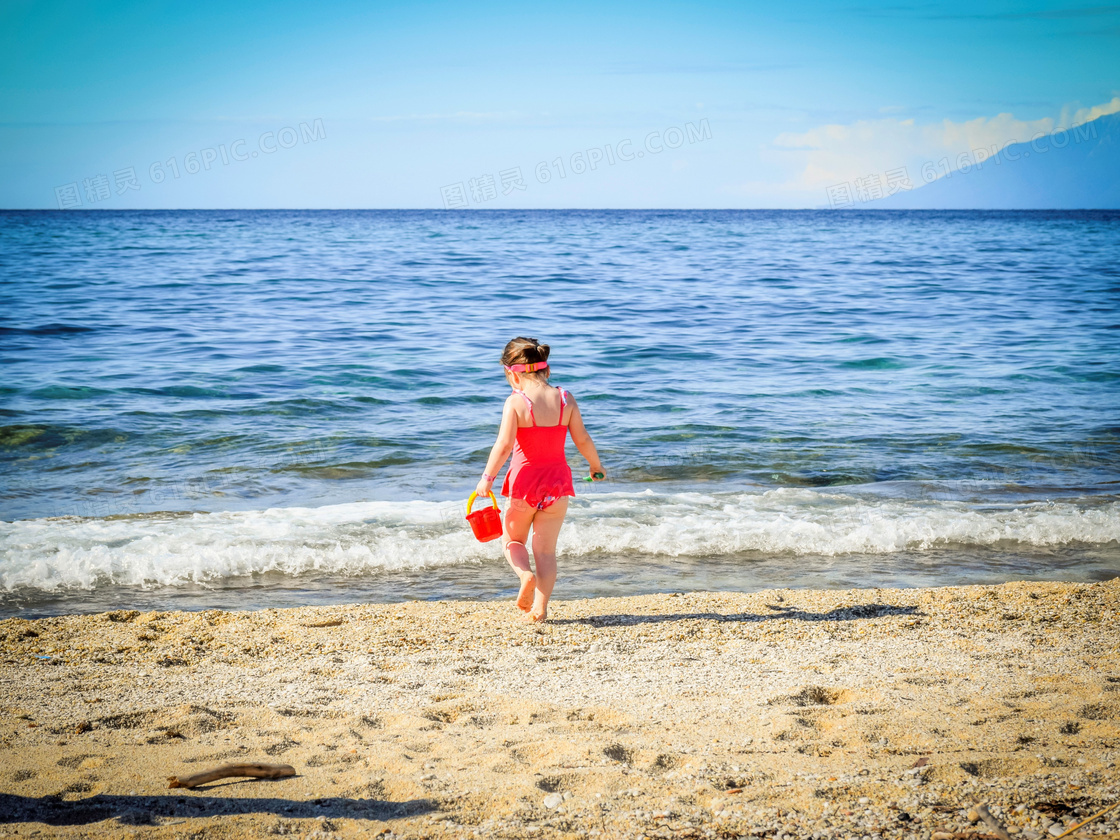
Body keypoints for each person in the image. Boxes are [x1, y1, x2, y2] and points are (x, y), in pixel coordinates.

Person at [475, 337, 605, 622]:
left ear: (512, 373)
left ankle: (524, 576)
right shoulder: (565, 398)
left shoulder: (516, 402)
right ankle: (540, 609)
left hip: (525, 485)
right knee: (545, 551)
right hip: (557, 486)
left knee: (513, 541)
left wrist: (487, 479)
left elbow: (504, 445)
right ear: (546, 370)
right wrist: (595, 466)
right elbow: (582, 438)